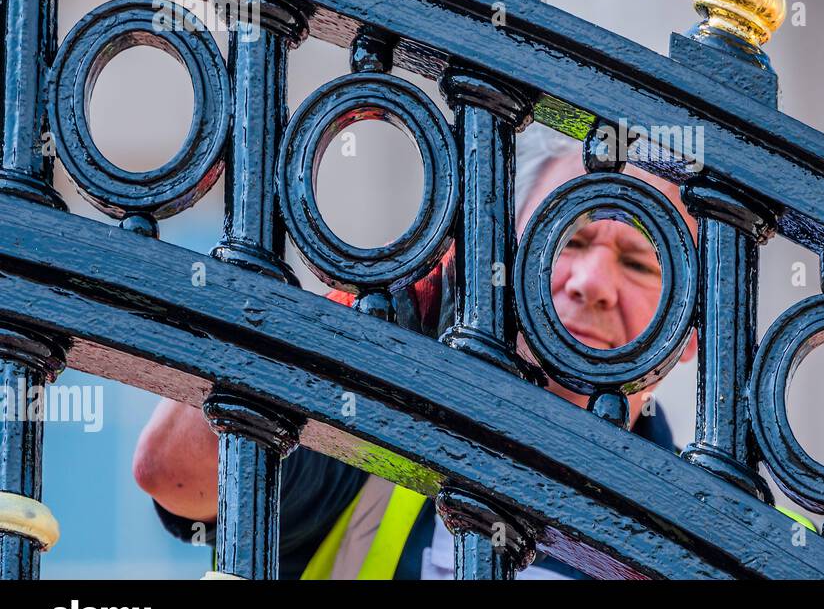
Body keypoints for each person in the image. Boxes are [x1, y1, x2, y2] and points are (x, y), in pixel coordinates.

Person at [132, 129, 697, 579]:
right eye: (567, 239)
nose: (591, 282)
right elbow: (174, 472)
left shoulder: (707, 530)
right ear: (494, 260)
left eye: (640, 262)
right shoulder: (374, 423)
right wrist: (342, 332)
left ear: (693, 334)